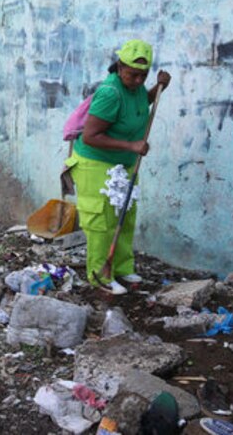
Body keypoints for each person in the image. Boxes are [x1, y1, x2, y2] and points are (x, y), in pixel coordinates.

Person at [66, 39, 170, 295]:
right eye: (132, 74)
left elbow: (138, 104)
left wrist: (158, 87)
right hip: (95, 163)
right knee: (102, 222)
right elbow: (91, 136)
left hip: (122, 164)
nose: (137, 80)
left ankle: (122, 267)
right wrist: (131, 146)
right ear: (120, 66)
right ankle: (100, 275)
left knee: (125, 217)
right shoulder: (110, 92)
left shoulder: (135, 88)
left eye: (142, 75)